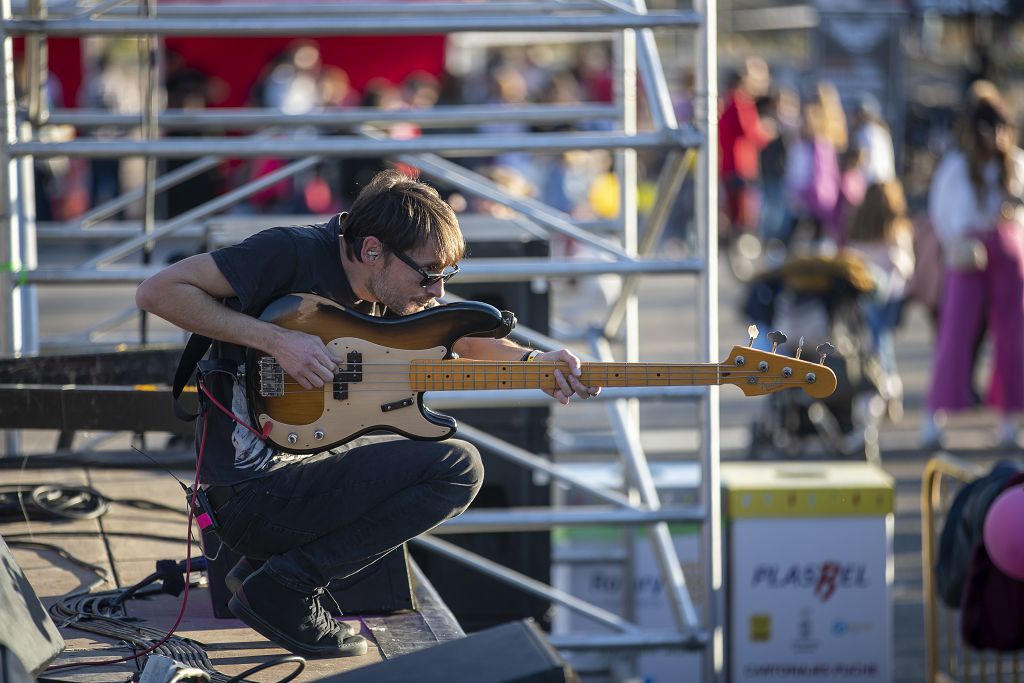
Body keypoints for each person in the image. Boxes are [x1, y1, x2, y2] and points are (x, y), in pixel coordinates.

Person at [135, 169, 602, 658]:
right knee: (458, 467)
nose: (437, 291)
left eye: (446, 276)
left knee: (444, 464)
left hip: (299, 482)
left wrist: (534, 364)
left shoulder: (392, 287)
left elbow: (460, 334)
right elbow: (158, 291)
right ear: (373, 250)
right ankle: (287, 587)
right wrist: (276, 340)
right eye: (428, 274)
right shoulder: (289, 252)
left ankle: (266, 576)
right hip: (250, 494)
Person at [921, 82, 1024, 449]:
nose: (994, 136)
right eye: (987, 128)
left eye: (1000, 128)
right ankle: (935, 416)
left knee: (1012, 337)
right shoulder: (958, 165)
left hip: (1006, 248)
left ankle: (1011, 419)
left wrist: (1012, 207)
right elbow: (942, 210)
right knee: (955, 332)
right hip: (966, 251)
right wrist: (956, 242)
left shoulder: (1013, 163)